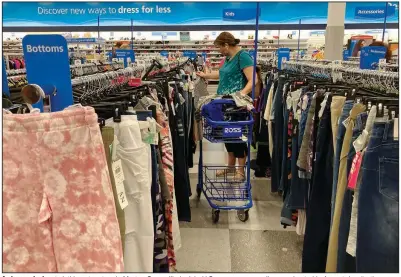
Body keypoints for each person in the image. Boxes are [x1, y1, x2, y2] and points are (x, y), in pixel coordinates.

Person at [196, 31, 257, 181]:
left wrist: (241, 95)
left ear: (226, 44)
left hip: (236, 106)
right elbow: (223, 74)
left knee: (237, 137)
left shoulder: (243, 56)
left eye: (219, 47)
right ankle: (230, 168)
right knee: (228, 137)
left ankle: (240, 172)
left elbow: (253, 80)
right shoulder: (229, 58)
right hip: (224, 103)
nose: (218, 51)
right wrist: (206, 76)